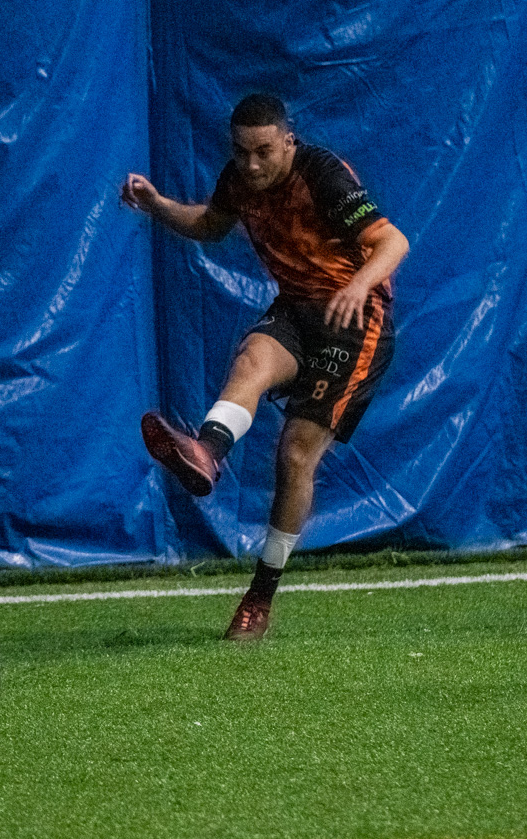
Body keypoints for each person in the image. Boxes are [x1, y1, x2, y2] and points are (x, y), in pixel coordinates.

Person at [121, 93, 409, 641]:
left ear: (287, 142)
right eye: (240, 152)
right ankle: (208, 450)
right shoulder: (238, 178)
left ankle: (260, 596)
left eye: (263, 152)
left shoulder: (322, 175)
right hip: (298, 310)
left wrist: (356, 285)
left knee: (295, 455)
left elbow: (392, 241)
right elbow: (210, 224)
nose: (251, 165)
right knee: (251, 357)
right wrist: (156, 204)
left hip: (355, 321)